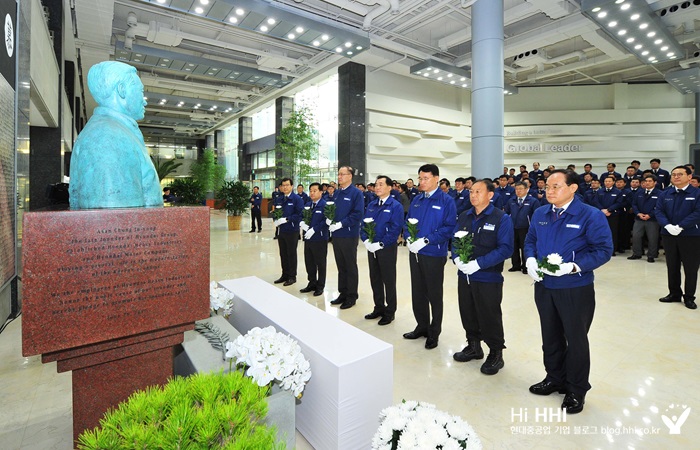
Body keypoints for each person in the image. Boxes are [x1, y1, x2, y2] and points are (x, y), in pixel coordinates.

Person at [524, 169, 613, 414]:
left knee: (575, 340)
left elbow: (604, 249)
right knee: (550, 336)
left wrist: (574, 266)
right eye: (547, 187)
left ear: (573, 188)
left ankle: (576, 389)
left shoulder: (589, 215)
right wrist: (530, 259)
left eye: (555, 187)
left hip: (575, 288)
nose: (548, 191)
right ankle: (554, 377)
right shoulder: (541, 212)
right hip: (545, 286)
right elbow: (530, 240)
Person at [69, 61, 162, 209]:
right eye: (141, 91)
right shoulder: (106, 137)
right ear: (122, 90)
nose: (144, 102)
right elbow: (117, 223)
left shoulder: (115, 130)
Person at [451, 180, 513, 375]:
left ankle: (496, 353)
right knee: (467, 311)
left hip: (488, 276)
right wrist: (457, 258)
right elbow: (454, 240)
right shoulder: (464, 216)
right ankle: (473, 346)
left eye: (478, 191)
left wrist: (479, 264)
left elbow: (506, 248)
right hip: (465, 275)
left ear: (490, 195)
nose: (473, 195)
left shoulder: (501, 218)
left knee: (489, 315)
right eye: (471, 191)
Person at [403, 164, 457, 350]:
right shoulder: (417, 199)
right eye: (420, 178)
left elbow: (449, 228)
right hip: (415, 253)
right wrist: (409, 238)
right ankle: (422, 326)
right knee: (417, 291)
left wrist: (426, 240)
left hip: (433, 253)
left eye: (425, 178)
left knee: (434, 293)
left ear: (436, 178)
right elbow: (408, 221)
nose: (422, 182)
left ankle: (434, 332)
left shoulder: (446, 201)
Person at [361, 176, 404, 325]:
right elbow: (364, 225)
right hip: (371, 248)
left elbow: (395, 229)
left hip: (386, 248)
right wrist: (366, 240)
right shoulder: (372, 205)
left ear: (389, 187)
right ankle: (378, 307)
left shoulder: (395, 206)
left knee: (388, 279)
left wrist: (381, 244)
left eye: (381, 184)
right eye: (376, 184)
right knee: (375, 278)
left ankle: (390, 311)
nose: (377, 187)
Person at [655, 165, 700, 309]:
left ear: (689, 176)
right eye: (673, 174)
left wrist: (681, 226)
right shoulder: (665, 193)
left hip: (690, 235)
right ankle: (674, 293)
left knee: (690, 267)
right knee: (672, 265)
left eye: (680, 174)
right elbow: (659, 211)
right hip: (668, 234)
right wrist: (667, 226)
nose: (676, 177)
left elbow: (697, 213)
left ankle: (689, 297)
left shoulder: (697, 193)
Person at [328, 166, 364, 310]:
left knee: (350, 266)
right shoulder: (336, 193)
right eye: (338, 174)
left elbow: (357, 214)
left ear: (350, 176)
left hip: (349, 235)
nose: (339, 177)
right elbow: (333, 211)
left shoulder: (356, 193)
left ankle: (351, 296)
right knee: (341, 266)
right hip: (337, 235)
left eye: (342, 174)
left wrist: (341, 224)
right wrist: (329, 220)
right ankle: (342, 293)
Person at [299, 183, 329, 296]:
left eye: (315, 190)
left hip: (319, 238)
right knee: (309, 262)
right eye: (310, 191)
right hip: (308, 238)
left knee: (320, 263)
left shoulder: (325, 205)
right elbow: (302, 216)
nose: (312, 193)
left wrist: (314, 229)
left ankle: (320, 286)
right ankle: (311, 282)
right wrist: (302, 223)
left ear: (321, 192)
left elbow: (326, 221)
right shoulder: (308, 205)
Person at [273, 178, 304, 286]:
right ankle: (284, 274)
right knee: (283, 253)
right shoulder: (280, 199)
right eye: (283, 185)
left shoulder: (296, 199)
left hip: (292, 230)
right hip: (282, 230)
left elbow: (300, 214)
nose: (285, 187)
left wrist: (287, 219)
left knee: (291, 253)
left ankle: (292, 276)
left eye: (287, 185)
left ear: (291, 186)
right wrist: (275, 220)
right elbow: (276, 212)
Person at [504, 182, 539, 274]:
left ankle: (525, 266)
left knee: (525, 247)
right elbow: (506, 213)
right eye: (516, 189)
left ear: (527, 189)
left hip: (526, 228)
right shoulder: (511, 200)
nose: (518, 191)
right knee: (514, 247)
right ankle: (516, 265)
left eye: (520, 189)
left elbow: (537, 215)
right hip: (513, 227)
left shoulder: (533, 201)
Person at [628, 174, 661, 262]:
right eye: (646, 181)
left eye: (650, 181)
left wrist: (650, 215)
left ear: (655, 182)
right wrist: (638, 213)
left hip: (652, 220)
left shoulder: (660, 193)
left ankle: (651, 255)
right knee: (636, 236)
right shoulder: (639, 192)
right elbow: (634, 204)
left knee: (652, 238)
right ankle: (637, 253)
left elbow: (660, 207)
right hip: (639, 218)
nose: (647, 183)